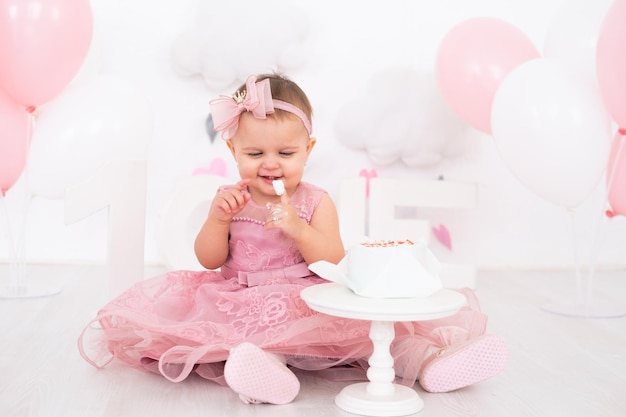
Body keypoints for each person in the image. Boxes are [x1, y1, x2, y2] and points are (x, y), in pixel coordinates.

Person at [78, 73, 507, 405]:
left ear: (308, 148)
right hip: (240, 298)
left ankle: (430, 362)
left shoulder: (315, 201)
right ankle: (268, 376)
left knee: (370, 338)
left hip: (306, 297)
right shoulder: (232, 200)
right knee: (253, 340)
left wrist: (298, 229)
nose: (271, 165)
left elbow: (335, 259)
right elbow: (208, 260)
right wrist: (215, 220)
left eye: (286, 154)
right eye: (254, 154)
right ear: (232, 152)